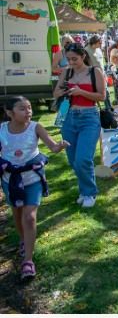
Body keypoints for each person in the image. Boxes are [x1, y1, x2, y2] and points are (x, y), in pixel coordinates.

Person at [0, 97, 69, 279]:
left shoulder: (36, 127)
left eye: (29, 108)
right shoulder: (1, 130)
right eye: (22, 108)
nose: (28, 111)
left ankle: (28, 262)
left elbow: (52, 147)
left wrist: (60, 146)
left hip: (33, 179)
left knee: (29, 217)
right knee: (17, 212)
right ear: (9, 112)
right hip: (11, 181)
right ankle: (23, 240)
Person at [53, 42, 106, 208]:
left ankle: (90, 192)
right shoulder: (67, 72)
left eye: (74, 59)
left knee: (83, 158)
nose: (71, 62)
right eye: (68, 59)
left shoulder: (94, 72)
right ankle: (84, 191)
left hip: (89, 118)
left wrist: (81, 91)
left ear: (83, 56)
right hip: (68, 117)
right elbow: (55, 93)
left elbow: (102, 96)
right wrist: (64, 92)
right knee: (73, 160)